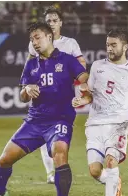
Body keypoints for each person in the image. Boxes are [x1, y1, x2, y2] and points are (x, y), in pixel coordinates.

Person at [0, 22, 89, 196]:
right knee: (4, 160)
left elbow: (84, 77)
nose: (34, 42)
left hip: (60, 120)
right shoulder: (31, 64)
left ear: (49, 37)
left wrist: (85, 90)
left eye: (38, 37)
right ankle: (0, 193)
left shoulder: (67, 60)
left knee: (59, 153)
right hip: (34, 122)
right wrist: (26, 90)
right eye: (32, 39)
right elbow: (22, 96)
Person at [72, 29, 128, 196]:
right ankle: (114, 183)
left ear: (125, 46)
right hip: (95, 124)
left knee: (111, 161)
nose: (110, 48)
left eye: (114, 45)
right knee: (95, 171)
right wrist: (83, 100)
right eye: (108, 44)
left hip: (118, 125)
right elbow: (90, 94)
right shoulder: (97, 66)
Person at [27, 6, 87, 184]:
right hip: (42, 96)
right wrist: (29, 84)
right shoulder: (35, 42)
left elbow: (81, 64)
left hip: (63, 97)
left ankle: (59, 167)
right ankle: (50, 173)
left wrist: (70, 74)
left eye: (54, 20)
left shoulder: (70, 44)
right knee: (43, 133)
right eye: (48, 21)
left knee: (58, 136)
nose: (51, 23)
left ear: (61, 22)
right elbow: (30, 66)